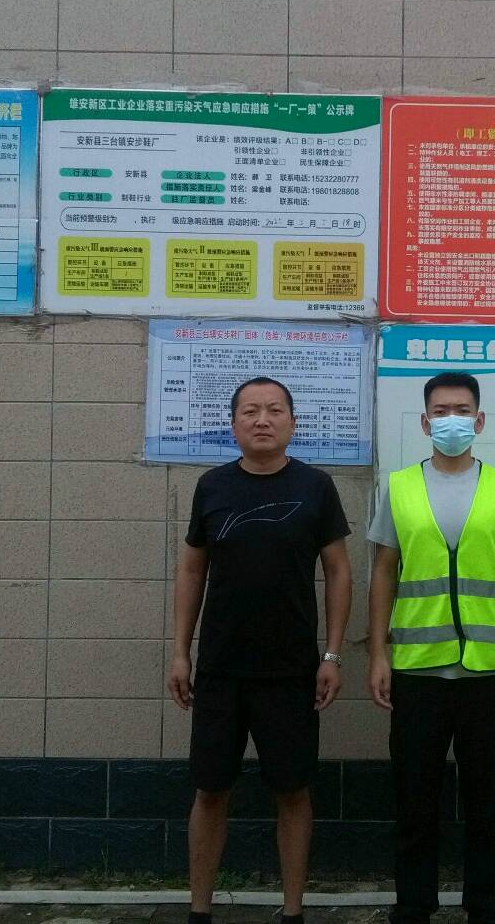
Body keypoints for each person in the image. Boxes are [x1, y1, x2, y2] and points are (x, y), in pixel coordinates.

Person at [168, 376, 352, 924]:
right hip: (220, 670)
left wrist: (332, 655)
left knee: (292, 791)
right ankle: (199, 910)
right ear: (233, 424)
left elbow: (339, 571)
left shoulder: (316, 486)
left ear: (293, 422)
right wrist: (180, 651)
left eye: (274, 410)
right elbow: (192, 569)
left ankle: (292, 910)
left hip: (291, 672)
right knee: (210, 791)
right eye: (250, 411)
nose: (262, 419)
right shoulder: (212, 486)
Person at [366, 371, 495, 924]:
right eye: (440, 411)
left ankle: (487, 910)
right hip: (417, 672)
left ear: (479, 420)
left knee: (489, 807)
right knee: (414, 805)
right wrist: (377, 653)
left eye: (461, 410)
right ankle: (413, 908)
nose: (451, 420)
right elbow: (383, 572)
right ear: (425, 422)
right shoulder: (398, 487)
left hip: (488, 674)